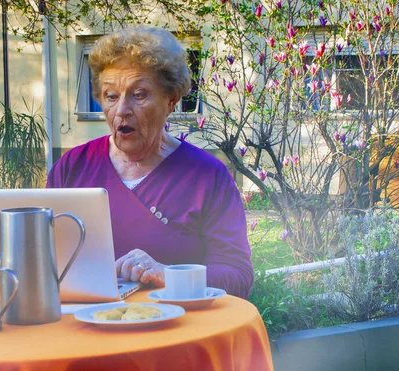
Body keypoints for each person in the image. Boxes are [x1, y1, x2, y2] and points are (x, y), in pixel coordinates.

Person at [46, 27, 254, 299]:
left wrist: (168, 274)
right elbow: (44, 261)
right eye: (111, 96)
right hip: (88, 329)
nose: (121, 110)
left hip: (178, 330)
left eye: (139, 94)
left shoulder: (207, 175)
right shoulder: (72, 166)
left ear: (171, 101)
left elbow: (238, 276)